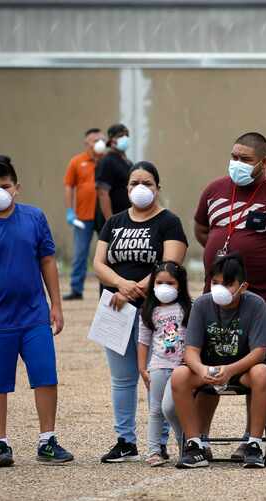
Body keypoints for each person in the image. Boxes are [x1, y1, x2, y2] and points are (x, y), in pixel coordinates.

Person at [194, 131, 266, 457]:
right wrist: (223, 268)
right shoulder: (214, 191)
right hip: (213, 301)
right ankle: (198, 439)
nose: (237, 164)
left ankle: (252, 439)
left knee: (257, 371)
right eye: (234, 157)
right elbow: (202, 228)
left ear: (264, 162)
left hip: (261, 301)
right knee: (207, 367)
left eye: (245, 159)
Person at [0, 155, 74, 467]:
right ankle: (0, 444)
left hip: (34, 315)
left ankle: (47, 441)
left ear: (16, 188)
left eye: (5, 186)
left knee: (45, 374)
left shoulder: (34, 218)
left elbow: (47, 261)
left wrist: (56, 305)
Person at [93, 161, 188, 463]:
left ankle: (158, 443)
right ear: (127, 188)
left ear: (158, 187)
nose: (140, 188)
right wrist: (121, 285)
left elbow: (171, 264)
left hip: (156, 312)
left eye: (147, 183)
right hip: (114, 308)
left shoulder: (169, 222)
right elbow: (98, 263)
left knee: (156, 375)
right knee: (122, 379)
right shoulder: (115, 222)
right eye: (134, 183)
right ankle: (125, 440)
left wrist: (137, 289)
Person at [171, 254, 266, 469]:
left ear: (243, 286)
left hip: (243, 368)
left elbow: (259, 352)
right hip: (209, 367)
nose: (219, 289)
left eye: (227, 284)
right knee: (180, 375)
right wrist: (201, 370)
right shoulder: (201, 304)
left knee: (263, 373)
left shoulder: (256, 305)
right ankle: (194, 444)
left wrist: (230, 370)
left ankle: (254, 444)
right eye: (215, 283)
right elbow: (190, 351)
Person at [137, 261, 191, 466]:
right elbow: (143, 341)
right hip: (158, 365)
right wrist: (142, 368)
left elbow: (194, 338)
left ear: (180, 284)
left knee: (171, 407)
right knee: (156, 410)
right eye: (159, 282)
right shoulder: (149, 310)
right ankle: (153, 451)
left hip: (181, 368)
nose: (164, 287)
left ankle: (183, 442)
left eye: (170, 283)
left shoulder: (187, 308)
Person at [63, 127, 106, 301]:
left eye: (101, 139)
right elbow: (69, 186)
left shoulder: (108, 161)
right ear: (86, 143)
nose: (98, 143)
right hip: (83, 214)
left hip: (104, 214)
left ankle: (106, 290)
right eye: (95, 140)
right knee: (80, 252)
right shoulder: (77, 161)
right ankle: (76, 288)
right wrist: (69, 211)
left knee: (107, 253)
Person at [95, 123, 132, 222]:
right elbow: (103, 192)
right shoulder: (107, 161)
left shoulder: (128, 162)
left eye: (126, 135)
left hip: (126, 218)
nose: (125, 138)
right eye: (120, 136)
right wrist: (110, 221)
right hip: (114, 219)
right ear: (111, 140)